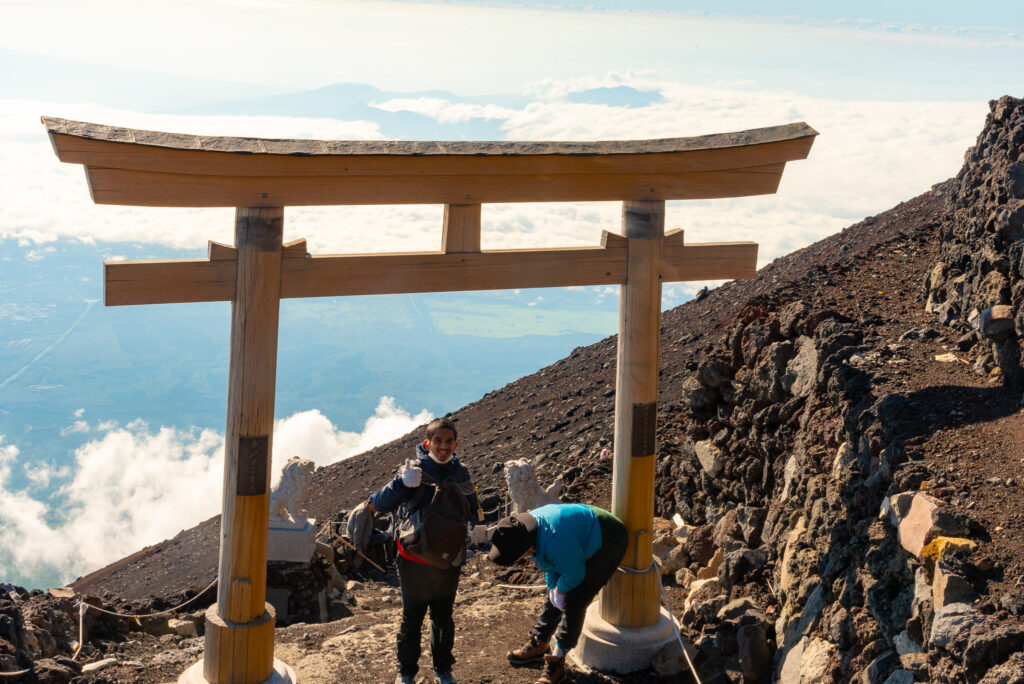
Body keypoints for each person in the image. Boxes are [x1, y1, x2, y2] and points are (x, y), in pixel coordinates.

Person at [367, 417, 485, 684]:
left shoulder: (462, 472)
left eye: (448, 442)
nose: (443, 446)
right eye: (438, 441)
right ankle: (406, 672)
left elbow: (472, 510)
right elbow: (378, 504)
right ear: (427, 443)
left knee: (443, 617)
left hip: (448, 559)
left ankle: (443, 669)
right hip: (414, 560)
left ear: (456, 444)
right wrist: (402, 483)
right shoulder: (413, 470)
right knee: (413, 617)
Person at [487, 503, 628, 684]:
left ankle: (558, 661)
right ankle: (540, 642)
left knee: (576, 598)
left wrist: (561, 590)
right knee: (556, 591)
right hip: (575, 536)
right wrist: (555, 588)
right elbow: (550, 565)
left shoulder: (555, 540)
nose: (519, 560)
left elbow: (575, 575)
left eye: (517, 556)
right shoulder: (528, 531)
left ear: (525, 548)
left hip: (609, 537)